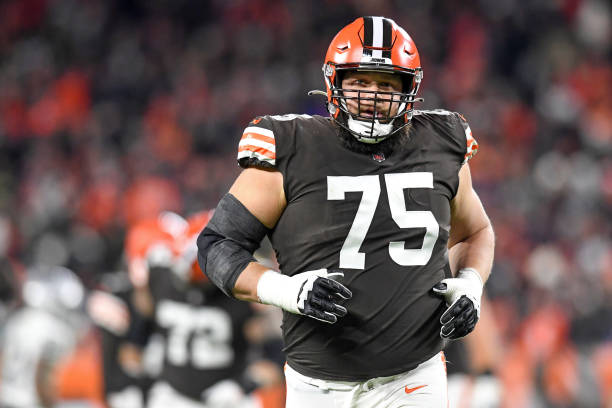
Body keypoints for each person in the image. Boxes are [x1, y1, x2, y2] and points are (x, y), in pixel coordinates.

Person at [197, 16, 495, 407]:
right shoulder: (292, 147)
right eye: (360, 82)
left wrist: (471, 282)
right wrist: (285, 291)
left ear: (410, 89)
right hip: (317, 387)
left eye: (387, 84)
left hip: (415, 378)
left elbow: (475, 232)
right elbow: (217, 245)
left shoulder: (442, 142)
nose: (372, 95)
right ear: (334, 83)